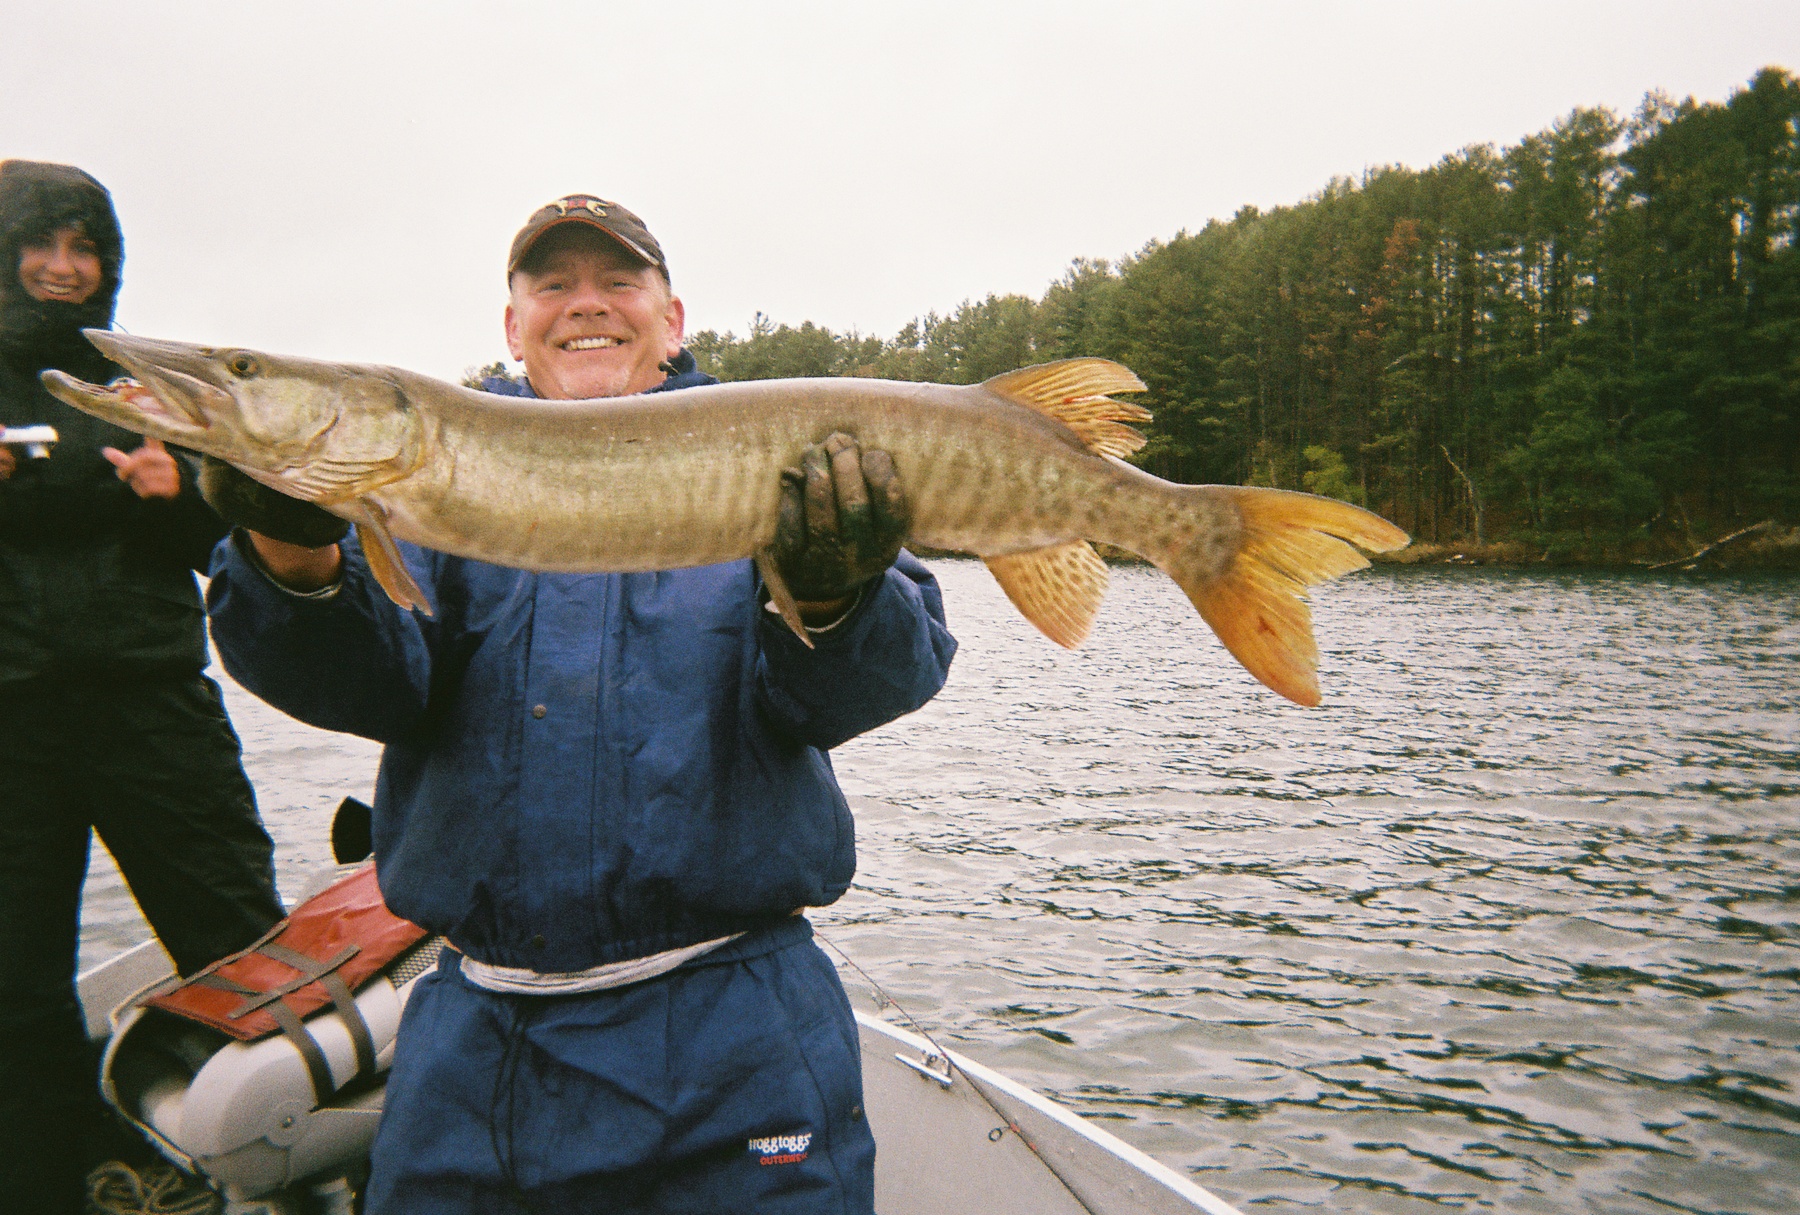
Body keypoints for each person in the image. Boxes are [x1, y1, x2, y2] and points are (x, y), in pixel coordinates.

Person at [203, 194, 958, 1213]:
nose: (585, 304)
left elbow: (872, 685)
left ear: (672, 319)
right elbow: (367, 686)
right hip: (480, 1041)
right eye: (552, 284)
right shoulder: (422, 485)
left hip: (736, 1030)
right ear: (513, 327)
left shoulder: (782, 453)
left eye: (618, 282)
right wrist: (293, 557)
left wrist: (835, 594)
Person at [0, 160, 285, 1215]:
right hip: (10, 719)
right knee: (14, 979)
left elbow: (234, 549)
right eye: (42, 244)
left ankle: (295, 1176)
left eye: (86, 248)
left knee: (240, 937)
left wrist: (180, 494)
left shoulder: (152, 385)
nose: (64, 267)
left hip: (154, 704)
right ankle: (47, 1184)